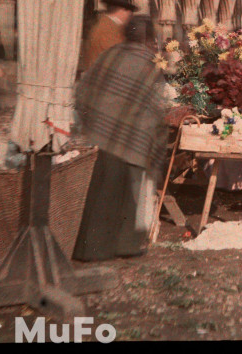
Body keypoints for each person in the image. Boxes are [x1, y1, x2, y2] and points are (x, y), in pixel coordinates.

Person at [73, 15, 170, 261]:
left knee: (101, 193)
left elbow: (83, 90)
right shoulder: (149, 63)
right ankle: (126, 246)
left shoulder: (110, 55)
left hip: (101, 136)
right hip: (133, 138)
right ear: (148, 39)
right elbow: (156, 107)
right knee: (130, 197)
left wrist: (90, 123)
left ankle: (90, 249)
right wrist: (157, 140)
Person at [81, 0, 139, 72]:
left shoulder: (109, 26)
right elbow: (118, 60)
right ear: (122, 10)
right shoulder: (107, 30)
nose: (131, 15)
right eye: (130, 11)